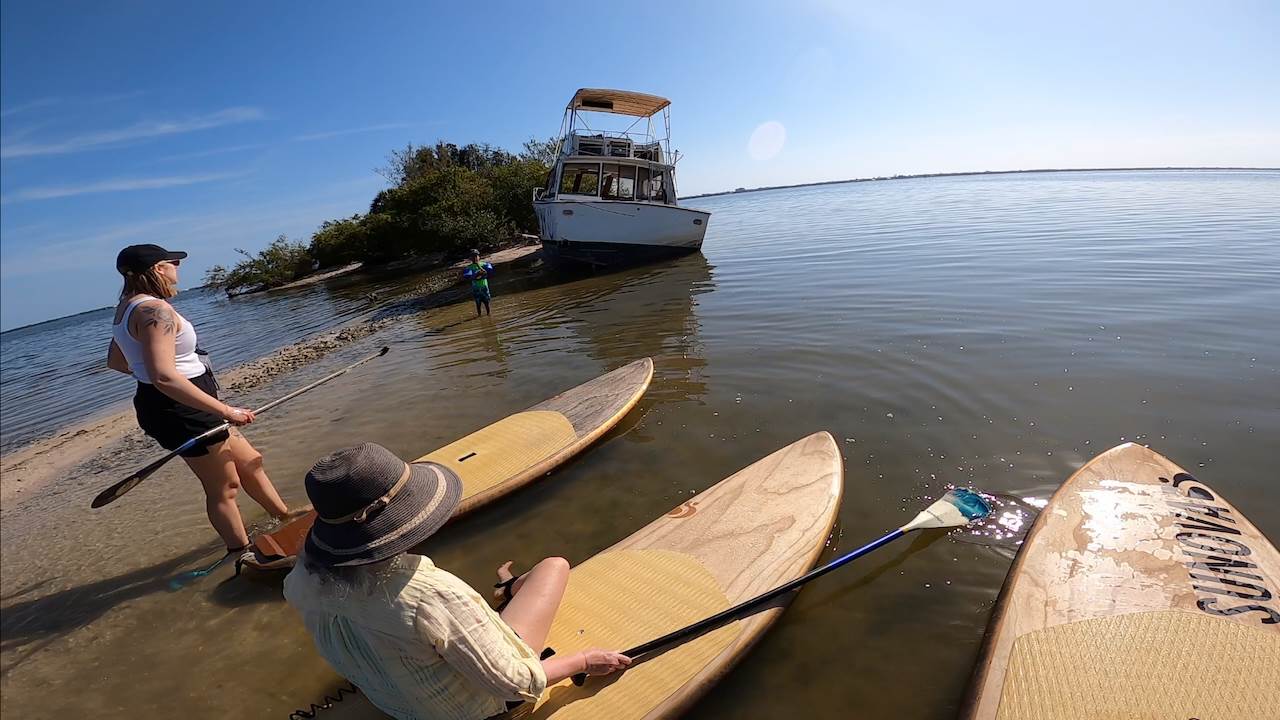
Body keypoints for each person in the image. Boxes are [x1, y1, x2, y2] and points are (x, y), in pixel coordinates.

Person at [283, 443, 630, 720]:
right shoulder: (427, 593)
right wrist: (584, 661)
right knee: (554, 566)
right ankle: (508, 588)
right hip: (479, 711)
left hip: (401, 708)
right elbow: (514, 684)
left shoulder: (302, 581)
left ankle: (508, 588)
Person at [106, 244, 296, 554]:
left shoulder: (127, 308)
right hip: (179, 408)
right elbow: (164, 377)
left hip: (183, 400)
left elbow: (117, 362)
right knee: (225, 486)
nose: (177, 269)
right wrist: (227, 410)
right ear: (158, 269)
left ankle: (286, 518)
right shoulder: (154, 311)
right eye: (173, 263)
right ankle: (242, 554)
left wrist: (149, 375)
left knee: (251, 462)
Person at [462, 250, 494, 317]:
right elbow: (468, 277)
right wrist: (476, 275)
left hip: (484, 287)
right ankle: (479, 316)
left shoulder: (484, 264)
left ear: (479, 256)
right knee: (478, 304)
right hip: (476, 288)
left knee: (487, 303)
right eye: (473, 257)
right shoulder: (469, 267)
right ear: (470, 258)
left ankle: (489, 315)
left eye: (476, 256)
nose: (475, 258)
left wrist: (480, 271)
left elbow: (488, 272)